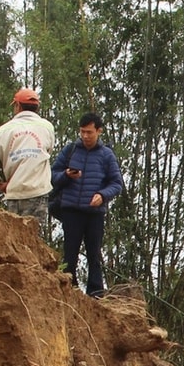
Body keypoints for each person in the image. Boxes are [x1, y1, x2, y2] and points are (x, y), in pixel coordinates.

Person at [49, 112, 123, 296]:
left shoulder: (106, 155)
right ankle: (68, 288)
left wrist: (102, 195)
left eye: (89, 132)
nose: (85, 136)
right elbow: (52, 175)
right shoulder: (70, 150)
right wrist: (66, 174)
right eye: (82, 132)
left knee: (94, 254)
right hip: (71, 209)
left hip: (94, 212)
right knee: (70, 252)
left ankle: (96, 292)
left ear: (99, 131)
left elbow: (116, 183)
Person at [0, 88, 55, 237]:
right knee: (34, 239)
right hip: (38, 190)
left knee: (14, 239)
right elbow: (48, 150)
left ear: (18, 106)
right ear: (37, 107)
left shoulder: (5, 129)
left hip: (14, 191)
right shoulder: (47, 127)